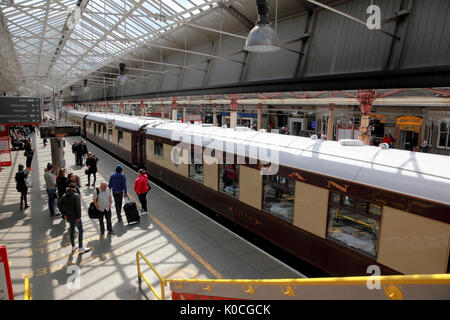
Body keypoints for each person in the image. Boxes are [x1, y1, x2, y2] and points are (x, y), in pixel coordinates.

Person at [61, 183, 91, 254]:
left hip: (69, 217)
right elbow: (78, 207)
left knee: (72, 231)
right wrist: (79, 217)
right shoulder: (76, 196)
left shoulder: (64, 195)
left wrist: (64, 214)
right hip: (76, 217)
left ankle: (73, 247)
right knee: (80, 230)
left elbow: (60, 205)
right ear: (74, 188)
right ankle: (80, 247)